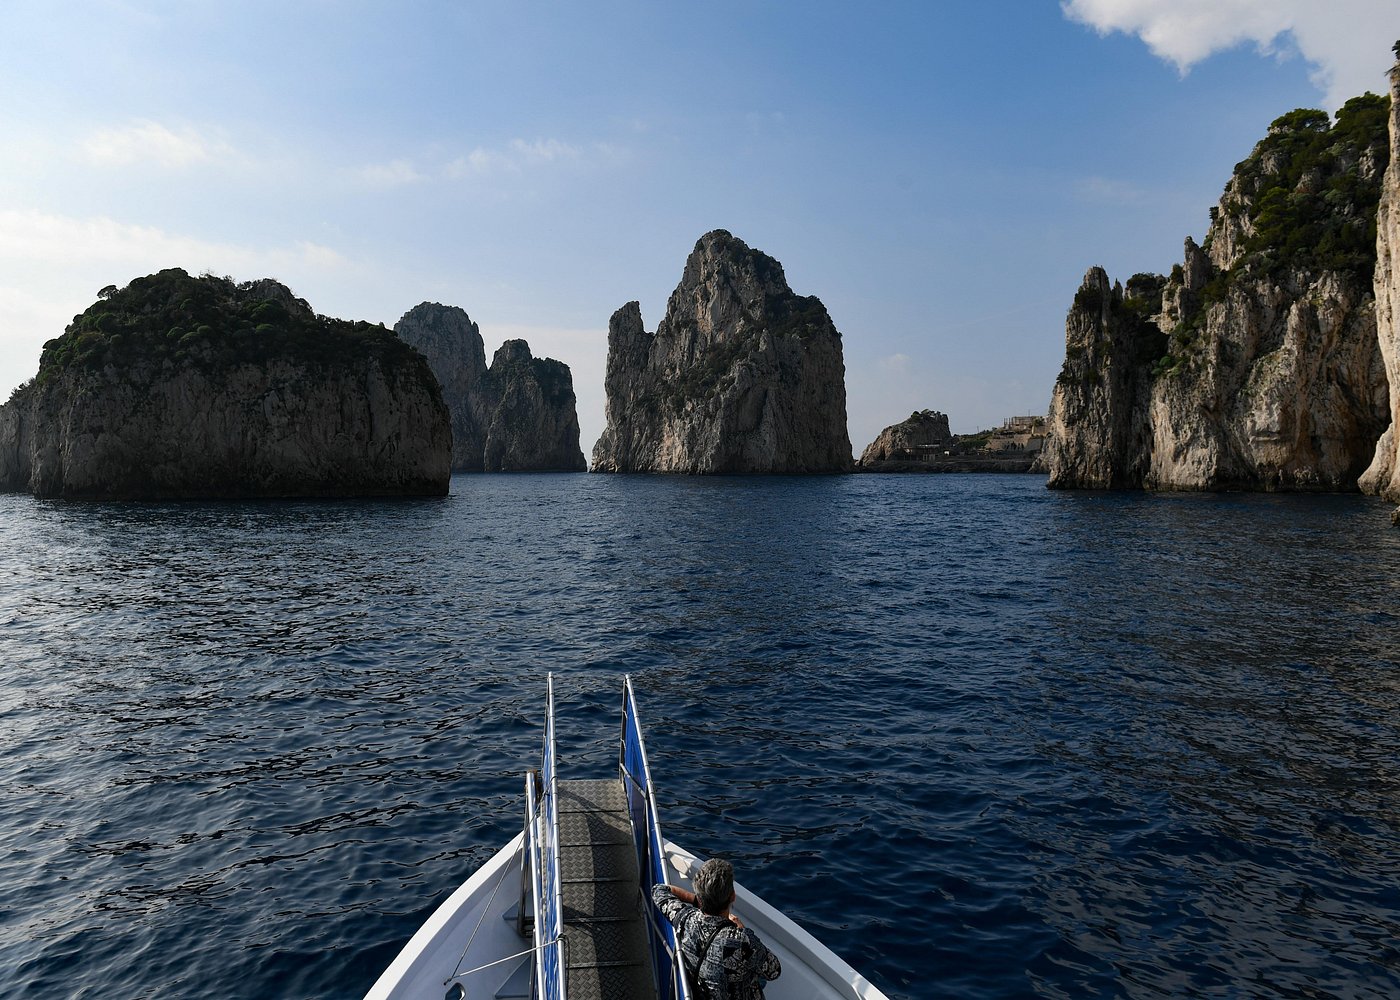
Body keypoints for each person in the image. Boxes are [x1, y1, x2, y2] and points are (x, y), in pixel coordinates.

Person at [651, 858, 782, 1000]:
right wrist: (742, 929)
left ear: (701, 898)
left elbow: (658, 890)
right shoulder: (742, 941)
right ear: (732, 896)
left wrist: (695, 901)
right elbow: (774, 971)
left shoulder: (685, 919)